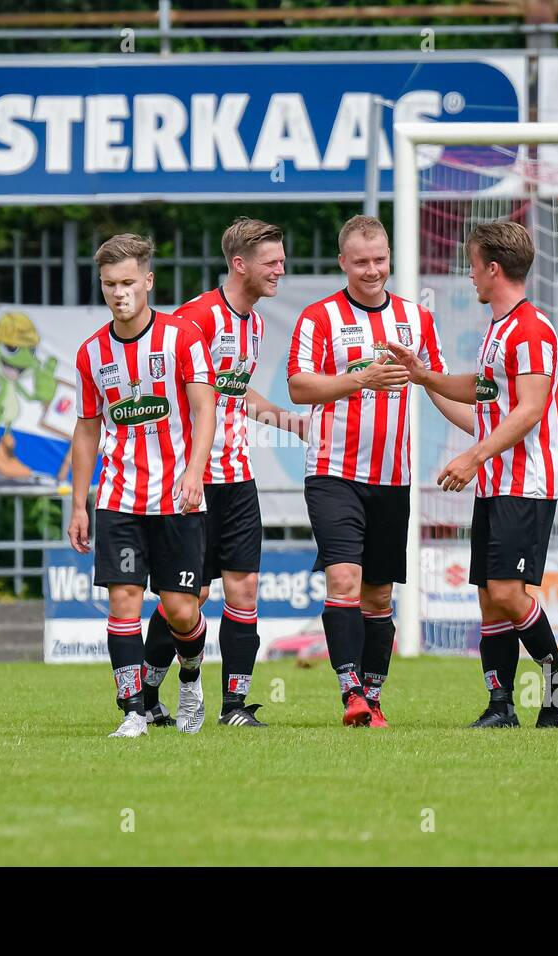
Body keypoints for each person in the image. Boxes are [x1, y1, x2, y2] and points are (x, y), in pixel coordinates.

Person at [390, 221, 558, 729]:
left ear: (494, 268)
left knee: (507, 593)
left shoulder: (532, 328)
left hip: (526, 482)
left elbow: (530, 409)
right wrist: (425, 375)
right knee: (488, 599)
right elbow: (483, 392)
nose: (469, 275)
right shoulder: (500, 328)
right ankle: (501, 708)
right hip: (497, 483)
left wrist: (473, 457)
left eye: (473, 265)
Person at [287, 215, 455, 727]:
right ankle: (350, 693)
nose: (372, 270)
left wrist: (486, 437)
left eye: (379, 259)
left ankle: (374, 698)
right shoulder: (319, 318)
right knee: (344, 578)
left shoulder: (415, 318)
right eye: (360, 262)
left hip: (391, 477)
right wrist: (358, 379)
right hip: (333, 471)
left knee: (379, 594)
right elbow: (298, 387)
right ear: (343, 263)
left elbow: (438, 382)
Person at [140, 218, 306, 729]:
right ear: (240, 265)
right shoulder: (195, 320)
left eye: (281, 259)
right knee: (188, 597)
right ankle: (146, 695)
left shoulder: (254, 323)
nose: (281, 269)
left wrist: (288, 421)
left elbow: (234, 394)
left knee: (245, 587)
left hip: (237, 477)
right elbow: (174, 398)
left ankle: (234, 706)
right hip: (195, 479)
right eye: (271, 262)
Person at [67, 234, 217, 738]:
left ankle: (191, 679)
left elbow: (204, 408)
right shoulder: (91, 353)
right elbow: (88, 428)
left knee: (180, 609)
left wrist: (194, 471)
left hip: (176, 497)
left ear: (148, 281)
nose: (119, 292)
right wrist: (79, 504)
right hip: (118, 498)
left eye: (128, 282)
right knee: (123, 601)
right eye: (109, 284)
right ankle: (133, 711)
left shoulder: (181, 338)